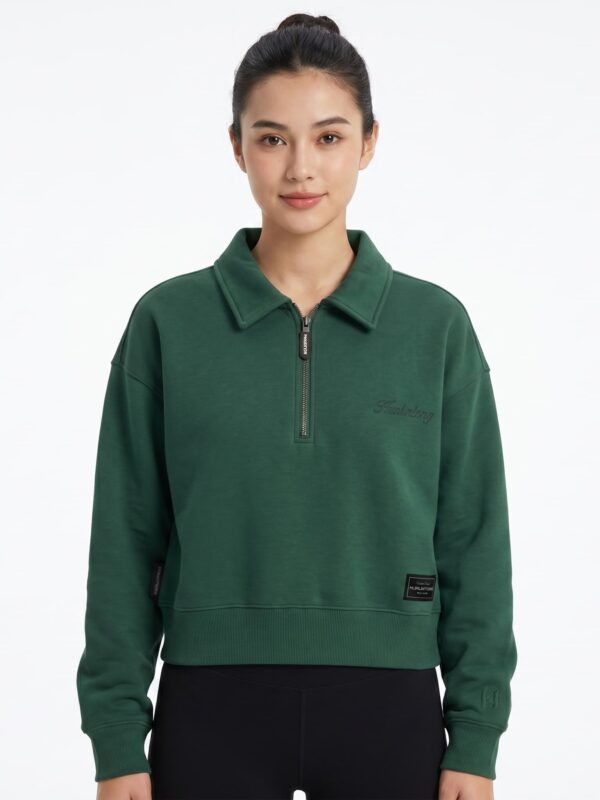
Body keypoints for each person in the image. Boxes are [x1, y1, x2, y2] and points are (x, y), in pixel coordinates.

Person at [76, 12, 517, 800]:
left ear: (369, 143)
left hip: (391, 707)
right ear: (237, 146)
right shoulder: (168, 323)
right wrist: (116, 743)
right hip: (210, 705)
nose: (301, 168)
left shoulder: (435, 327)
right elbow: (126, 539)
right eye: (273, 138)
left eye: (329, 137)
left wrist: (476, 738)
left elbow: (473, 541)